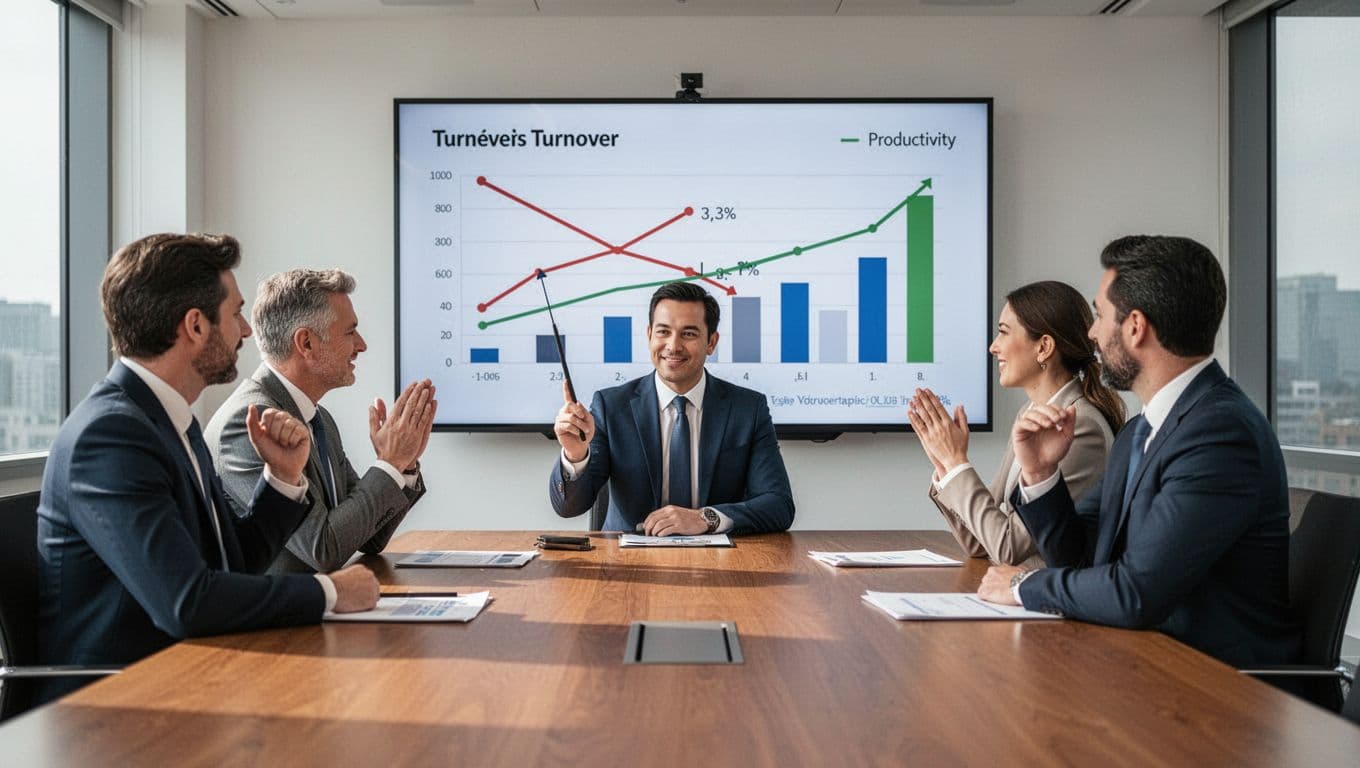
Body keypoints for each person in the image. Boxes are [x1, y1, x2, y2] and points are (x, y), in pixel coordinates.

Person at [34, 233, 379, 705]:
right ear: (195, 326)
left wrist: (280, 480)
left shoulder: (171, 421)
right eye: (235, 313)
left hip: (189, 678)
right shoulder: (111, 436)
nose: (245, 332)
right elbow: (187, 602)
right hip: (119, 706)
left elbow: (229, 563)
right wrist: (328, 593)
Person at [977, 235, 1299, 667]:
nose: (1091, 334)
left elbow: (1137, 592)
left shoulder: (1221, 434)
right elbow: (1081, 558)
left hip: (1217, 690)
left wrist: (1022, 586)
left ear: (1135, 327)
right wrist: (1040, 474)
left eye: (1098, 315)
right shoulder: (1140, 431)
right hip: (1146, 663)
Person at [206, 269, 436, 574]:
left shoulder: (319, 419)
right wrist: (389, 465)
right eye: (350, 332)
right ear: (307, 343)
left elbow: (368, 536)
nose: (362, 345)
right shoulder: (249, 423)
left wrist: (401, 465)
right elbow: (323, 549)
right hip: (283, 620)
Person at [548, 281, 794, 535]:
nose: (673, 346)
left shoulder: (747, 409)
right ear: (649, 335)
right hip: (629, 564)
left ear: (711, 342)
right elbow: (569, 507)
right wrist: (575, 455)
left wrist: (705, 518)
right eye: (663, 332)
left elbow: (779, 505)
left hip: (720, 564)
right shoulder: (611, 407)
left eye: (688, 334)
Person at [908, 281, 1125, 566]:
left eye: (1003, 332)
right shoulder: (1031, 412)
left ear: (1044, 347)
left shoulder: (1081, 427)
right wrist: (946, 466)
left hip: (1045, 603)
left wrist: (958, 462)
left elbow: (1008, 547)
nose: (993, 347)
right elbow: (979, 542)